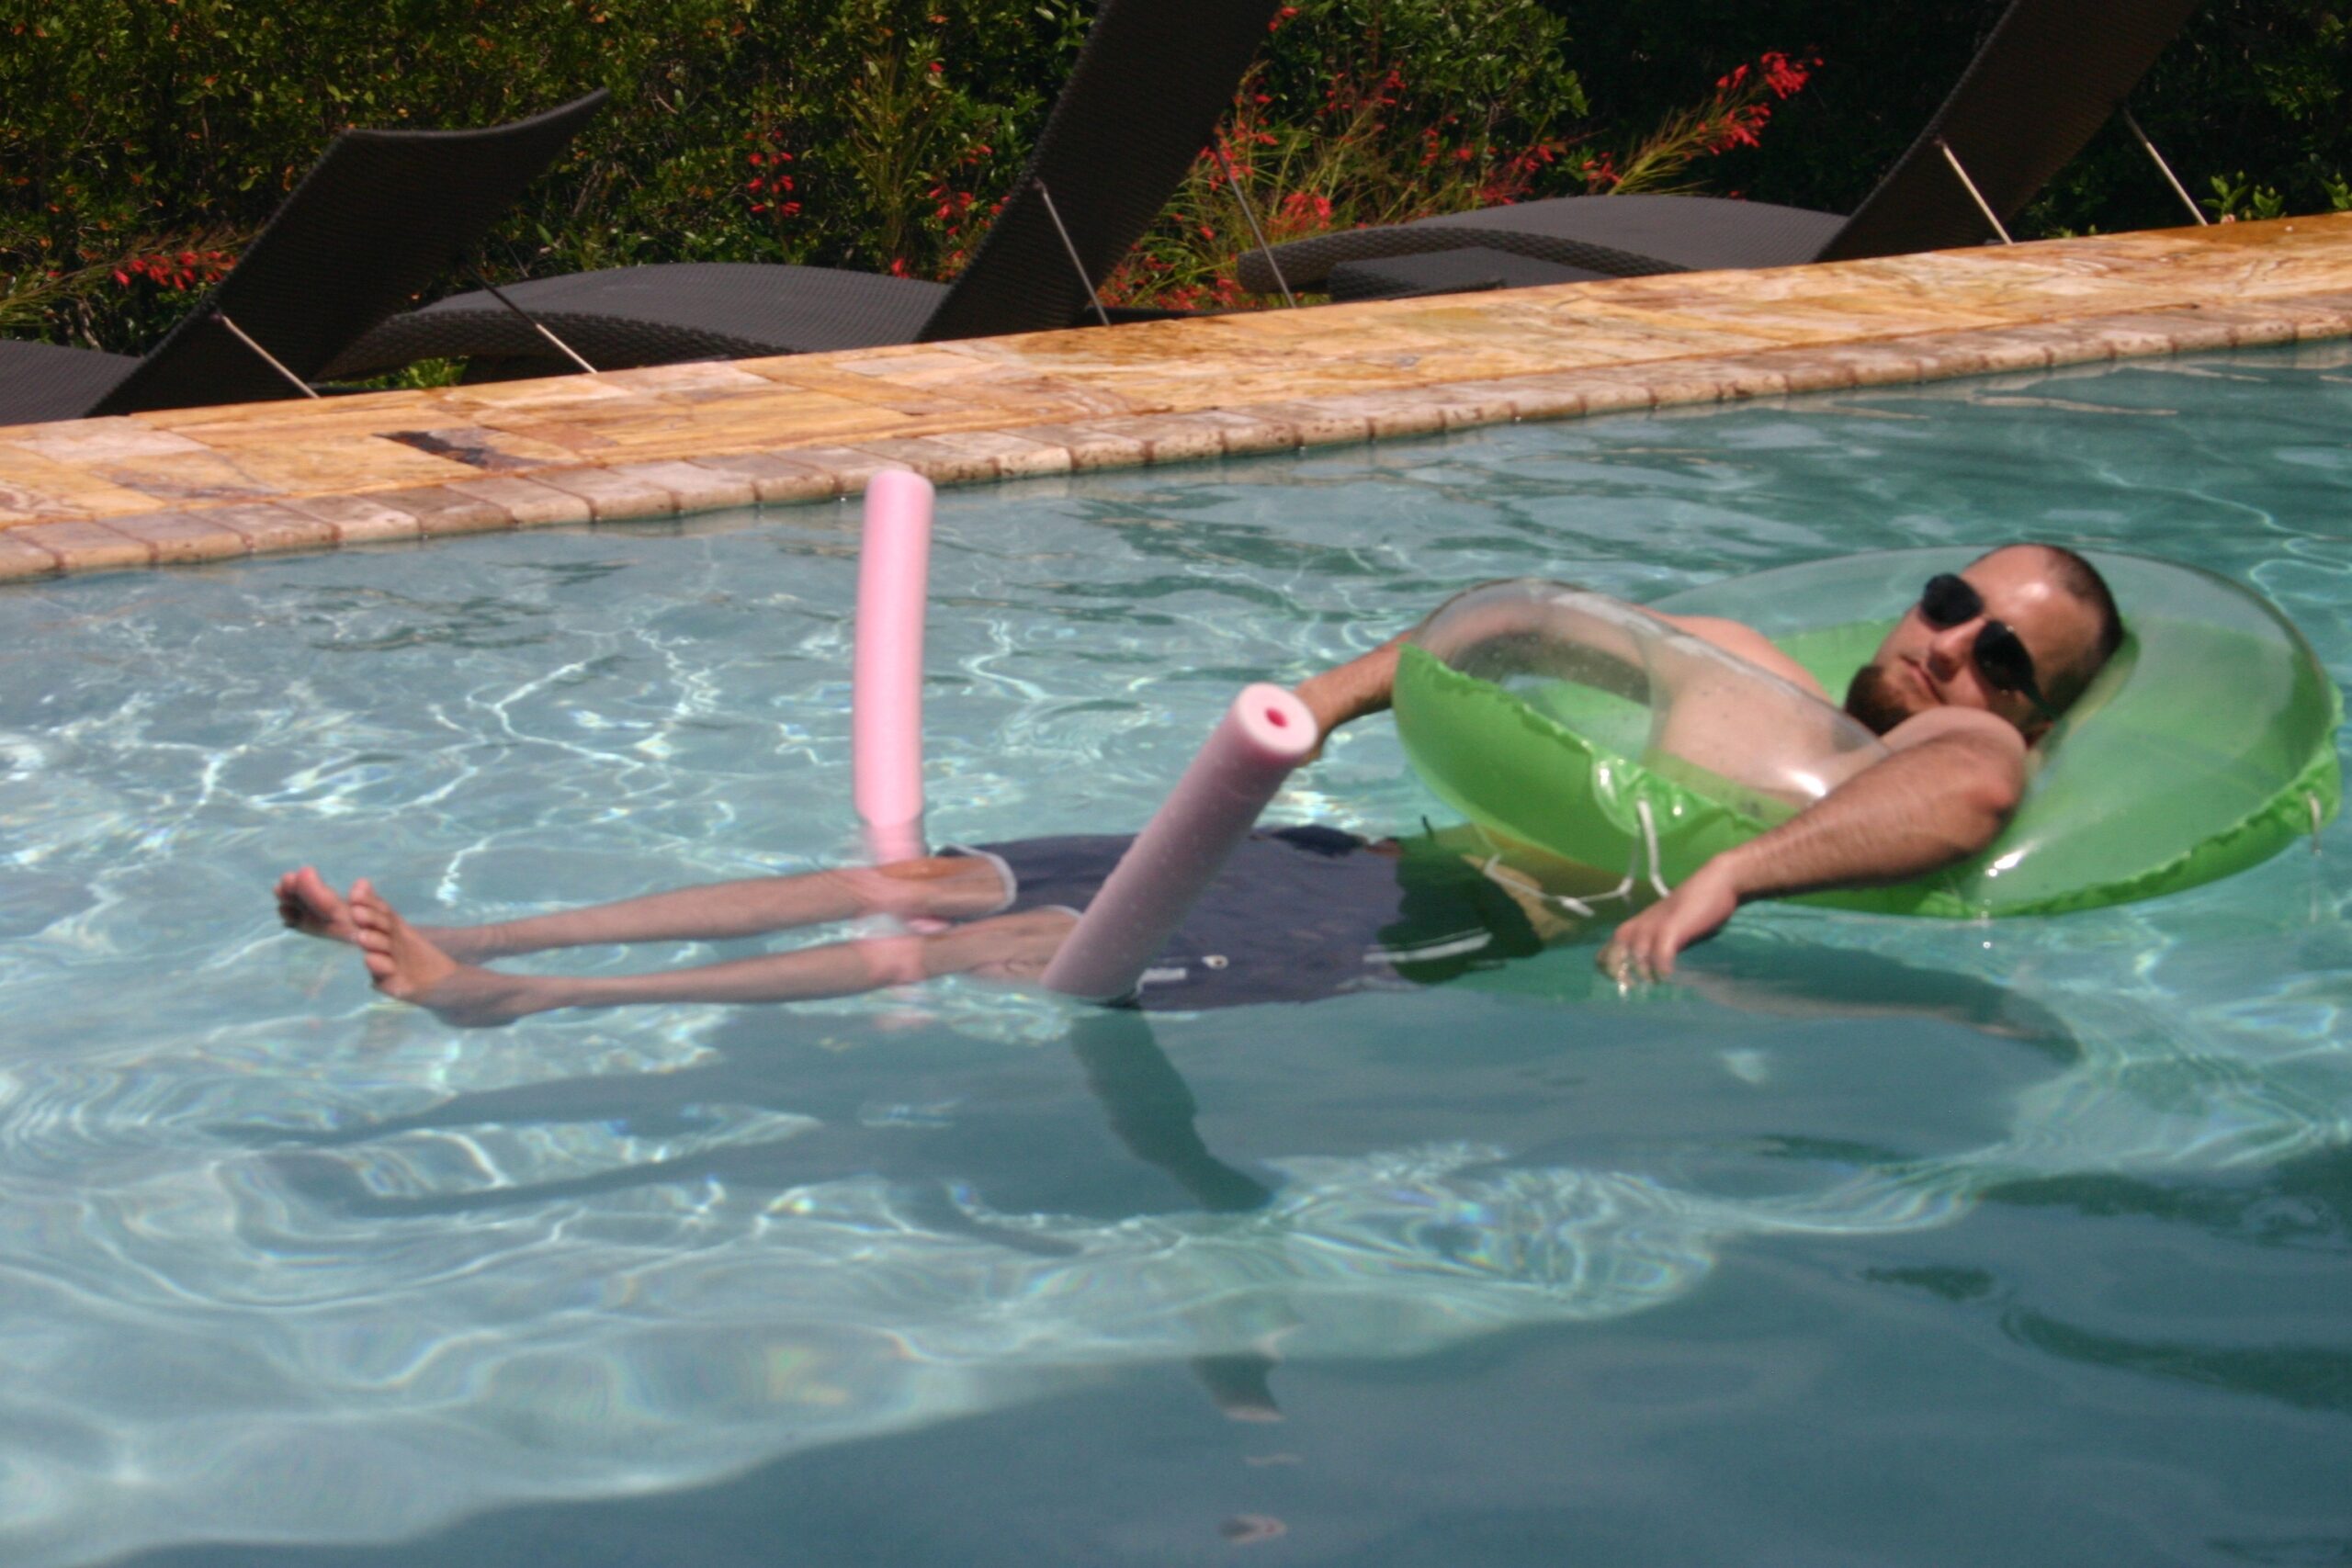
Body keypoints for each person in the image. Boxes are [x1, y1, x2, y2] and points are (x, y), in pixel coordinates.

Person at [277, 543, 2122, 1023]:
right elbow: (1507, 642)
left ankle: (508, 999)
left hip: (1460, 933)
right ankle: (499, 932)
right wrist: (1322, 697)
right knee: (931, 877)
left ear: (2034, 714)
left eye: (2007, 657)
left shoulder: (1951, 751)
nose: (1955, 649)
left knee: (1013, 951)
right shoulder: (1734, 652)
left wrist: (1725, 878)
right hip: (1352, 854)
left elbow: (1958, 795)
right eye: (1951, 603)